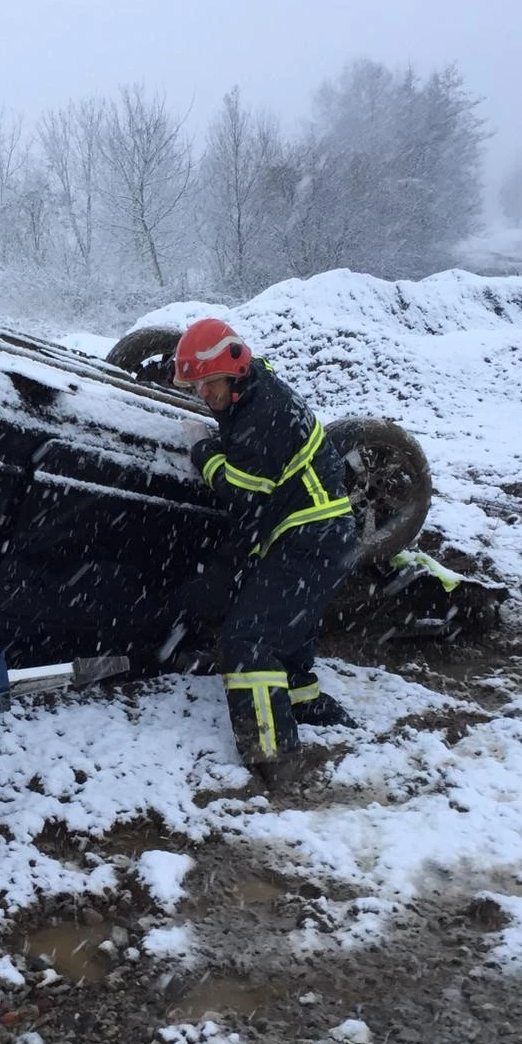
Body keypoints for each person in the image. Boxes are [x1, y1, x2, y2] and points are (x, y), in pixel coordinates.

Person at [174, 317, 360, 788]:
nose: (204, 395)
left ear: (233, 373)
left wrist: (203, 452)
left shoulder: (265, 412)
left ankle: (274, 756)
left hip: (311, 535)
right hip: (321, 533)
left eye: (207, 384)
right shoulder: (253, 391)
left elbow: (243, 492)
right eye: (196, 386)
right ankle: (306, 702)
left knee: (248, 639)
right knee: (286, 634)